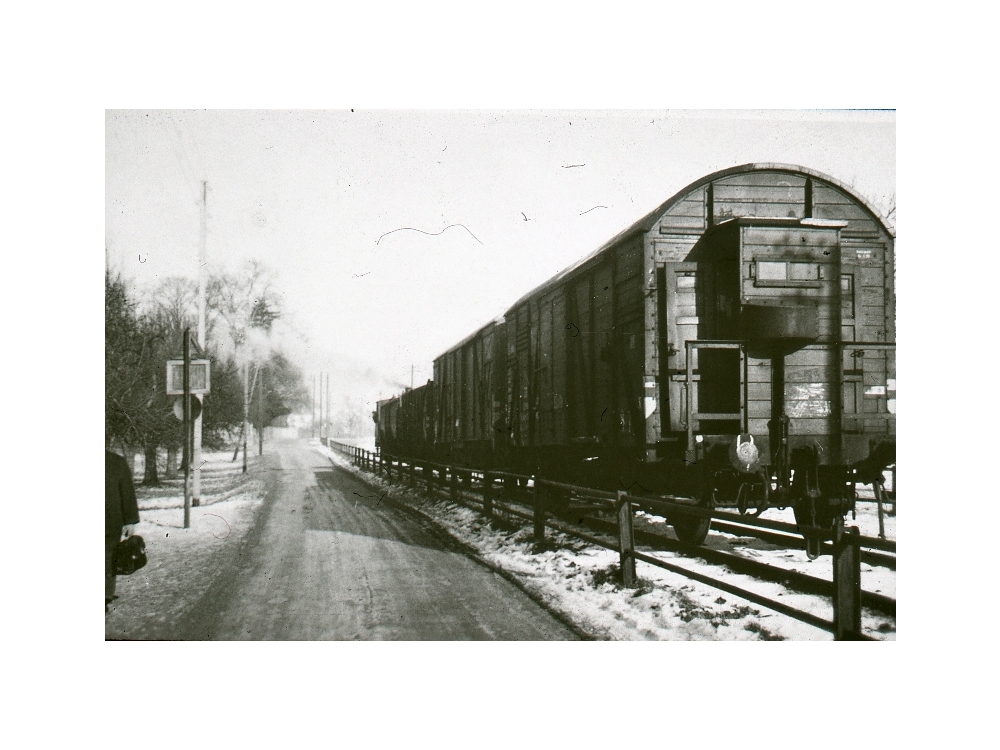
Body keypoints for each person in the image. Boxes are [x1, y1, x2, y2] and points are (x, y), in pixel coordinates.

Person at [106, 450, 140, 612]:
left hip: (110, 522)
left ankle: (105, 596)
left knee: (108, 558)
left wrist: (130, 521)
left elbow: (127, 494)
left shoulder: (117, 462)